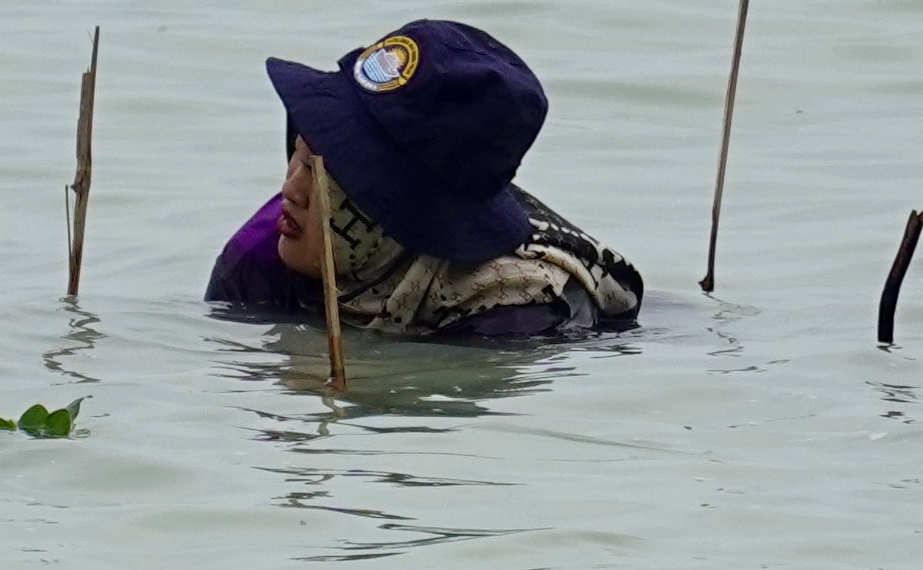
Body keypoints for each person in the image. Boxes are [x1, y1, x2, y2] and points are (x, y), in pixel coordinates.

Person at [208, 20, 643, 342]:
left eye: (321, 168)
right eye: (298, 156)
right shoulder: (279, 236)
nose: (289, 189)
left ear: (396, 208)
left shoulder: (517, 310)